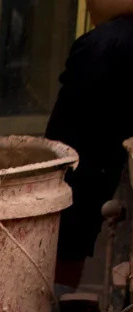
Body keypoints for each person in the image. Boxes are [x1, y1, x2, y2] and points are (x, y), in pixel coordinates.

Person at [46, 0, 133, 293]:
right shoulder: (106, 42)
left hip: (85, 166)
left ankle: (56, 305)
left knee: (71, 206)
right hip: (103, 160)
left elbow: (71, 135)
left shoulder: (103, 44)